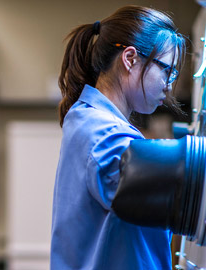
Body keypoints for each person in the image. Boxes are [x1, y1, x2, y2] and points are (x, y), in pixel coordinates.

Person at [50, 5, 186, 269]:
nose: (169, 85)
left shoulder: (89, 119)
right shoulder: (102, 133)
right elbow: (160, 187)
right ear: (130, 58)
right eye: (166, 70)